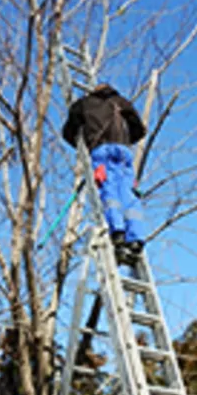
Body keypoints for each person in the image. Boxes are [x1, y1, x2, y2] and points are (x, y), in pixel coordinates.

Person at [62, 83, 147, 264]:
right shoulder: (121, 102)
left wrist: (82, 143)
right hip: (123, 152)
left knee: (109, 190)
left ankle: (117, 232)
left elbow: (68, 132)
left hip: (101, 151)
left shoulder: (83, 104)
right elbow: (139, 129)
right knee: (129, 195)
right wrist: (125, 139)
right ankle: (136, 238)